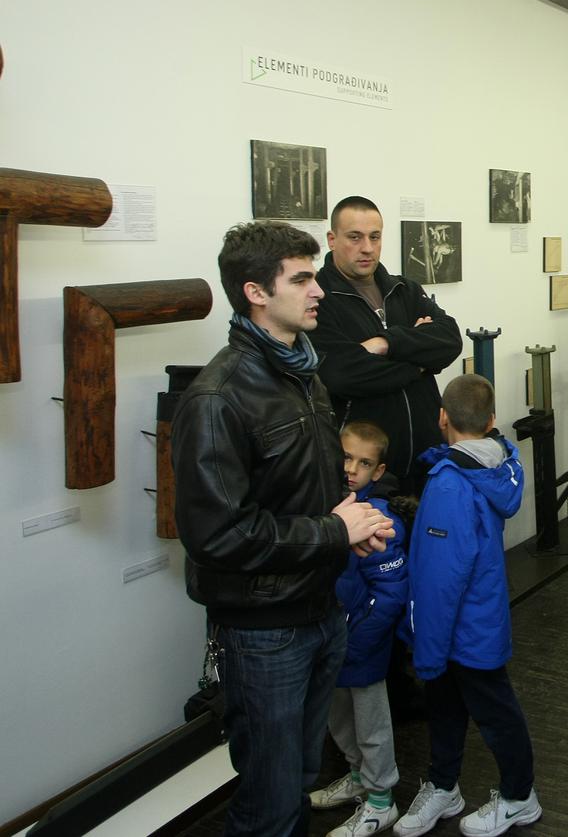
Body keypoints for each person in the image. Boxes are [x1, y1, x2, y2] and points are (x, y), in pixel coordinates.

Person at [172, 221, 395, 837]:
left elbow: (311, 490)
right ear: (256, 293)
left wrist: (355, 526)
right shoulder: (217, 398)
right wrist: (332, 531)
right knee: (268, 802)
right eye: (301, 279)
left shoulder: (302, 374)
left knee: (296, 780)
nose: (318, 290)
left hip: (319, 609)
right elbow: (218, 537)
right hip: (264, 630)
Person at [395, 374, 540, 837]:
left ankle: (520, 798)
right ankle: (443, 786)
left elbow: (441, 581)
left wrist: (427, 650)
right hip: (475, 620)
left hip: (460, 629)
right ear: (492, 420)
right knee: (448, 708)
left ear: (442, 417)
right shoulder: (497, 465)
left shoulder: (450, 485)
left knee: (495, 714)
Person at [312, 195, 463, 494]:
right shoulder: (318, 298)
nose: (366, 248)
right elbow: (342, 374)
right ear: (332, 239)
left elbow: (449, 340)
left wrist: (385, 343)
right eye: (354, 237)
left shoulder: (404, 289)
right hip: (366, 475)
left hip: (426, 461)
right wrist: (420, 360)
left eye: (374, 236)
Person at [309, 421, 410, 837]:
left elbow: (390, 593)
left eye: (364, 463)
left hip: (361, 645)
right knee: (340, 721)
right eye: (346, 457)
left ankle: (382, 800)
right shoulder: (326, 509)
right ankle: (357, 779)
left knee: (371, 726)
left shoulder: (377, 519)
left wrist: (356, 642)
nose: (352, 468)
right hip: (330, 642)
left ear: (379, 471)